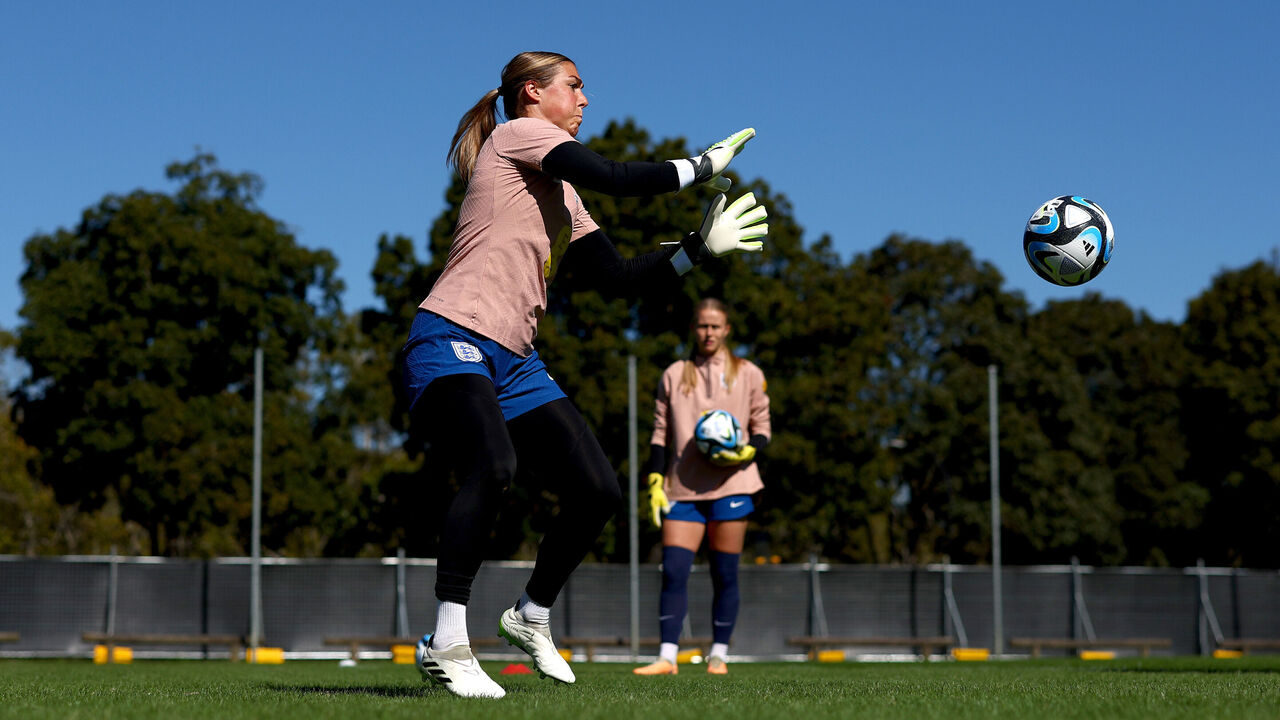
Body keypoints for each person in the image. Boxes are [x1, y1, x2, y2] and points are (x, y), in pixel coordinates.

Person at [404, 51, 767, 699]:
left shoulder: (559, 189)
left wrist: (697, 252)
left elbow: (618, 277)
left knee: (597, 492)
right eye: (574, 86)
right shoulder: (518, 136)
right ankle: (448, 641)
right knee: (494, 466)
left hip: (515, 360)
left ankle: (530, 614)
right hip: (453, 334)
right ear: (531, 94)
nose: (585, 100)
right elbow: (618, 176)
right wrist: (700, 166)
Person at [634, 298, 771, 677]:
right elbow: (660, 433)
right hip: (684, 489)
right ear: (693, 329)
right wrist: (656, 477)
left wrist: (746, 451)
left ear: (727, 330)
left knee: (724, 573)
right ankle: (666, 657)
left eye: (715, 326)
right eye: (702, 326)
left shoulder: (749, 374)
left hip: (733, 485)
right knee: (674, 570)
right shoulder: (674, 374)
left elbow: (763, 428)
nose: (708, 333)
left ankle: (718, 655)